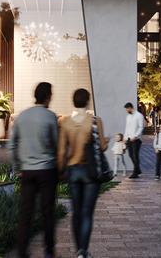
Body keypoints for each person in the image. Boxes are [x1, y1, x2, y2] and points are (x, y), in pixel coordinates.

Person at [9, 82, 58, 258]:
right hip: (46, 170)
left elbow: (11, 144)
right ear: (47, 96)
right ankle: (49, 252)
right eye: (51, 94)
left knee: (26, 213)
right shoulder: (50, 117)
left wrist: (17, 167)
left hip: (27, 172)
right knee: (48, 213)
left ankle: (22, 252)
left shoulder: (22, 116)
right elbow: (56, 144)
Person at [58, 89, 109, 258]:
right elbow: (102, 147)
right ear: (88, 101)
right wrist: (106, 140)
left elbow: (61, 152)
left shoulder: (64, 122)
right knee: (87, 213)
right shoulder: (95, 121)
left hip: (73, 171)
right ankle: (82, 252)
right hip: (90, 172)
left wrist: (60, 171)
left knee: (76, 212)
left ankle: (78, 248)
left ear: (73, 101)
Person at [123, 102, 144, 178]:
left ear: (130, 108)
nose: (126, 110)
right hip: (129, 138)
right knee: (130, 155)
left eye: (127, 109)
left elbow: (141, 127)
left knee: (135, 155)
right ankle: (138, 169)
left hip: (136, 139)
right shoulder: (128, 116)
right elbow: (127, 127)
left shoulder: (139, 115)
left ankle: (135, 173)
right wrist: (125, 138)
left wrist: (136, 136)